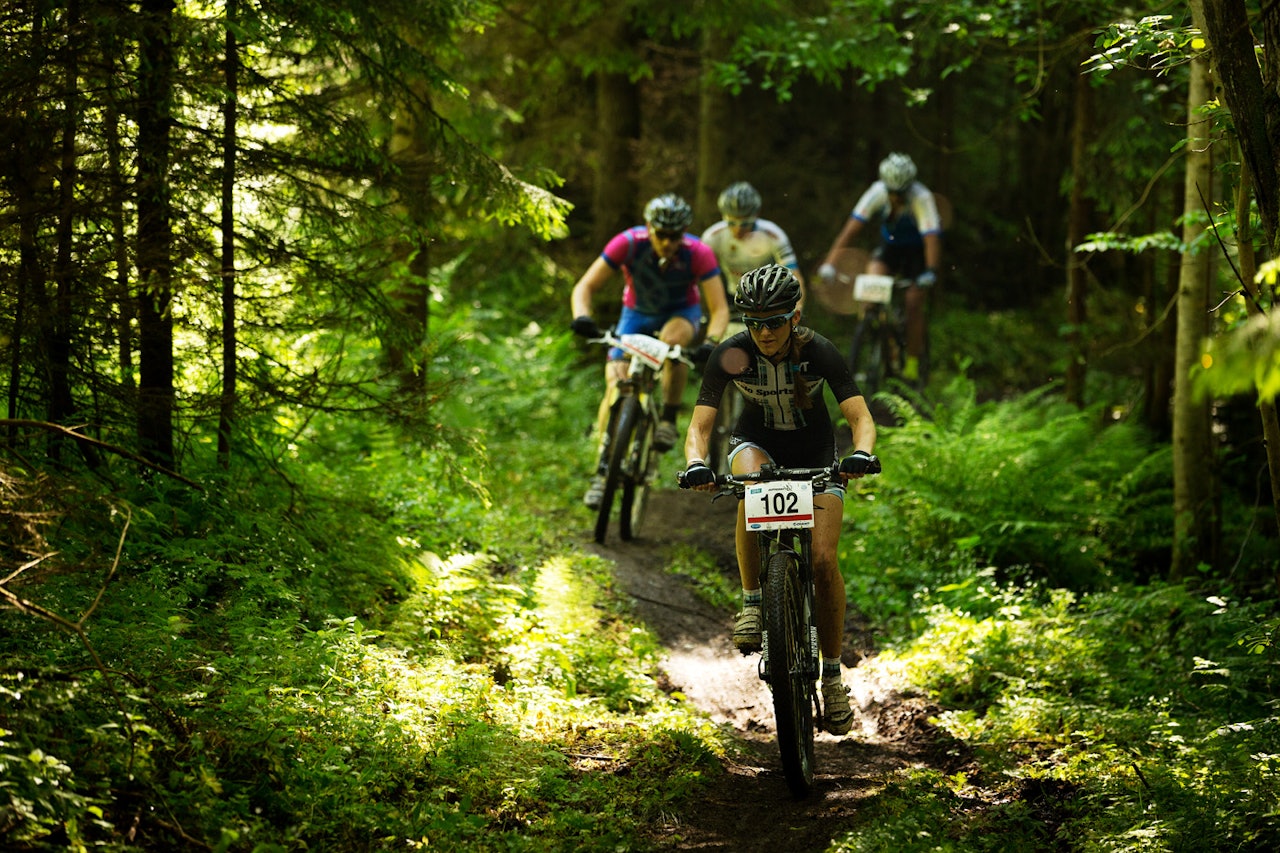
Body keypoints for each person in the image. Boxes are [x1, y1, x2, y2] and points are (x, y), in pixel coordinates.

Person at [680, 264, 878, 736]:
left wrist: (862, 453)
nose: (765, 332)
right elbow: (700, 425)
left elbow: (860, 416)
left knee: (825, 563)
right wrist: (695, 463)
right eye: (754, 322)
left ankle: (832, 677)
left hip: (817, 455)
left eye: (774, 321)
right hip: (757, 445)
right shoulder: (730, 354)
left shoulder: (820, 352)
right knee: (751, 487)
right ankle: (753, 602)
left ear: (795, 316)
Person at [570, 193, 730, 509]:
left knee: (674, 345)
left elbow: (720, 308)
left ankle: (669, 418)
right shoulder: (628, 243)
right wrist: (581, 316)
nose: (668, 243)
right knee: (615, 383)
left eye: (675, 236)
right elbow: (584, 287)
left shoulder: (698, 253)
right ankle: (603, 471)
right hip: (636, 314)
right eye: (662, 235)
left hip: (681, 313)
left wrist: (710, 340)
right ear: (649, 228)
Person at [818, 152, 942, 384]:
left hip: (916, 253)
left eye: (900, 193)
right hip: (889, 250)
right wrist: (830, 263)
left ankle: (913, 363)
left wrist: (931, 271)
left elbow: (931, 237)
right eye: (891, 192)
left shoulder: (921, 197)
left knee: (914, 302)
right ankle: (876, 336)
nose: (895, 197)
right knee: (869, 292)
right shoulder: (876, 192)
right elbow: (851, 229)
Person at [700, 181, 807, 313]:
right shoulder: (711, 237)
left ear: (756, 215)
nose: (738, 230)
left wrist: (797, 309)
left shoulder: (774, 235)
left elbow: (795, 277)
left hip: (770, 298)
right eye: (732, 222)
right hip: (732, 297)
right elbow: (704, 278)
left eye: (745, 223)